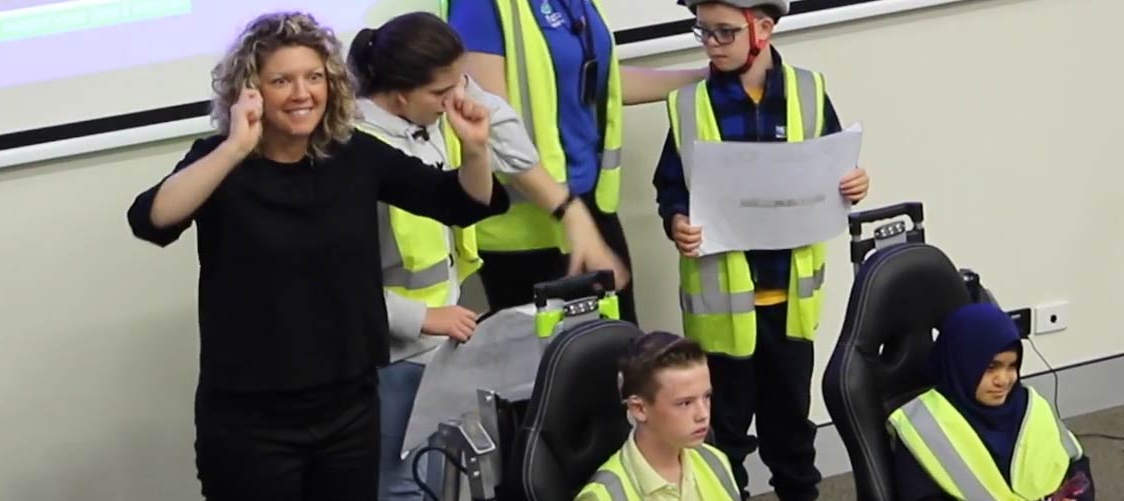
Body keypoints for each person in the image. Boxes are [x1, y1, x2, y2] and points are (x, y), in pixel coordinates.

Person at [125, 11, 510, 500]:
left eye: (314, 77)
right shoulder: (220, 160)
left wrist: (475, 150)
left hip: (348, 408)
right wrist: (235, 147)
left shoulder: (354, 155)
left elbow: (458, 202)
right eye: (281, 80)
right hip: (251, 419)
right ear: (252, 90)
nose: (301, 93)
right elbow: (151, 220)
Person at [343, 12, 630, 500]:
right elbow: (340, 283)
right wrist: (421, 317)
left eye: (464, 82)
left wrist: (570, 212)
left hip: (441, 341)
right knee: (398, 483)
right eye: (442, 92)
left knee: (437, 472)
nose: (459, 99)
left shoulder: (431, 113)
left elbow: (498, 124)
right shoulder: (357, 152)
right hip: (390, 347)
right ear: (399, 93)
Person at [652, 1, 870, 499]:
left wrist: (854, 182)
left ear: (763, 28)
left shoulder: (808, 92)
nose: (711, 43)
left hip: (788, 305)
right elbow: (670, 186)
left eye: (724, 32)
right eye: (702, 32)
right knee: (721, 438)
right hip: (722, 314)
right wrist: (676, 220)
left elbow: (835, 166)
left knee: (791, 429)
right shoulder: (689, 105)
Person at [447, 0, 711, 322]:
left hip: (589, 207)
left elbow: (601, 81)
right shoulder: (481, 7)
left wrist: (706, 78)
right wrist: (570, 213)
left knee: (622, 353)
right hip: (530, 231)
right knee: (561, 364)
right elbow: (490, 126)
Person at [887, 304, 1096, 500]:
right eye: (990, 367)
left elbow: (1076, 465)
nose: (1003, 380)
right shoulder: (923, 427)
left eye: (1012, 366)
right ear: (962, 364)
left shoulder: (1032, 405)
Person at [577, 332, 742, 500]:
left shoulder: (714, 461)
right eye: (685, 403)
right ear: (639, 409)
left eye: (706, 397)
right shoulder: (603, 496)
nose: (703, 414)